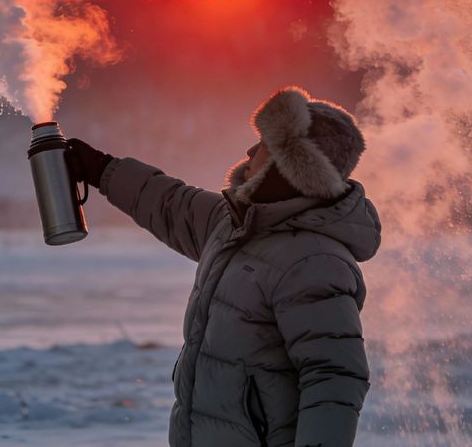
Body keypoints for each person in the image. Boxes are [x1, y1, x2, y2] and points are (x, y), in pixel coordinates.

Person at [66, 85, 382, 447]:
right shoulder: (235, 224)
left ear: (292, 165)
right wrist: (101, 169)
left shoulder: (313, 261)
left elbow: (335, 376)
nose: (250, 151)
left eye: (264, 144)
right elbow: (171, 204)